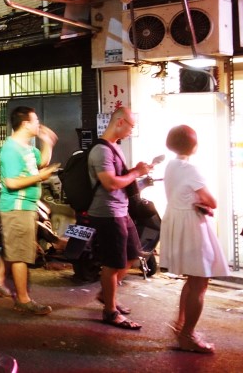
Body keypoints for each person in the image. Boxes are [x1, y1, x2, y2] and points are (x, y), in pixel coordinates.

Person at [161, 125, 229, 353]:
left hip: (179, 222)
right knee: (200, 281)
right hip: (192, 227)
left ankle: (181, 325)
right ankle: (188, 335)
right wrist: (204, 203)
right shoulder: (191, 169)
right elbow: (212, 201)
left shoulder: (171, 165)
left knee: (192, 280)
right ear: (194, 144)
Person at [88, 107, 151, 330]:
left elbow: (122, 180)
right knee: (113, 263)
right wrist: (136, 173)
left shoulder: (115, 148)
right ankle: (110, 312)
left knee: (132, 255)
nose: (131, 131)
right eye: (131, 126)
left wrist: (138, 176)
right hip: (107, 213)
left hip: (121, 211)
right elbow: (111, 183)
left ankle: (107, 295)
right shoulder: (101, 151)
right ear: (120, 122)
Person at [0, 106, 59, 315]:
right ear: (25, 124)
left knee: (19, 252)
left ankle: (0, 283)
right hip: (17, 207)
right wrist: (40, 178)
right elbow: (12, 182)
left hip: (27, 207)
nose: (38, 124)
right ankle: (23, 299)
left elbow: (41, 163)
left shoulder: (27, 147)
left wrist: (47, 143)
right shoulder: (11, 149)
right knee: (20, 255)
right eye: (35, 121)